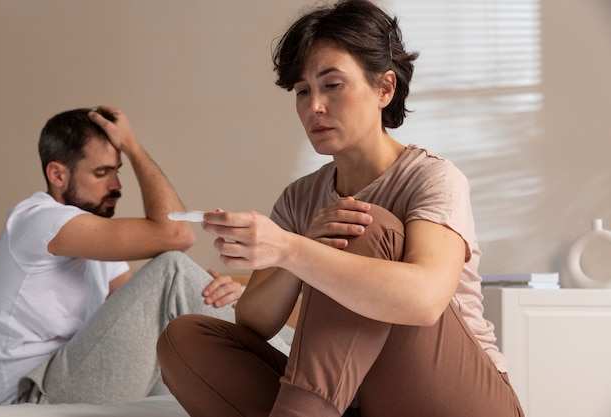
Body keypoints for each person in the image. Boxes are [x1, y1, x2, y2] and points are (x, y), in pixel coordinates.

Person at [157, 0, 525, 416]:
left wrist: (296, 250)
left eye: (332, 85)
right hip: (357, 400)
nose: (314, 106)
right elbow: (255, 322)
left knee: (361, 226)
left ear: (384, 88)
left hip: (456, 398)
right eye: (302, 91)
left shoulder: (432, 177)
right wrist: (292, 249)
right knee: (185, 337)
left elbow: (424, 301)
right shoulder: (299, 198)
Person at [0, 106, 244, 405]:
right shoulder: (38, 220)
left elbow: (142, 309)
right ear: (57, 174)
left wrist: (214, 295)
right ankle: (293, 370)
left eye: (117, 170)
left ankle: (286, 368)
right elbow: (177, 236)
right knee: (172, 268)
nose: (117, 186)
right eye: (102, 173)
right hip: (26, 395)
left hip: (60, 377)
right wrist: (133, 147)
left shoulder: (88, 238)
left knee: (186, 348)